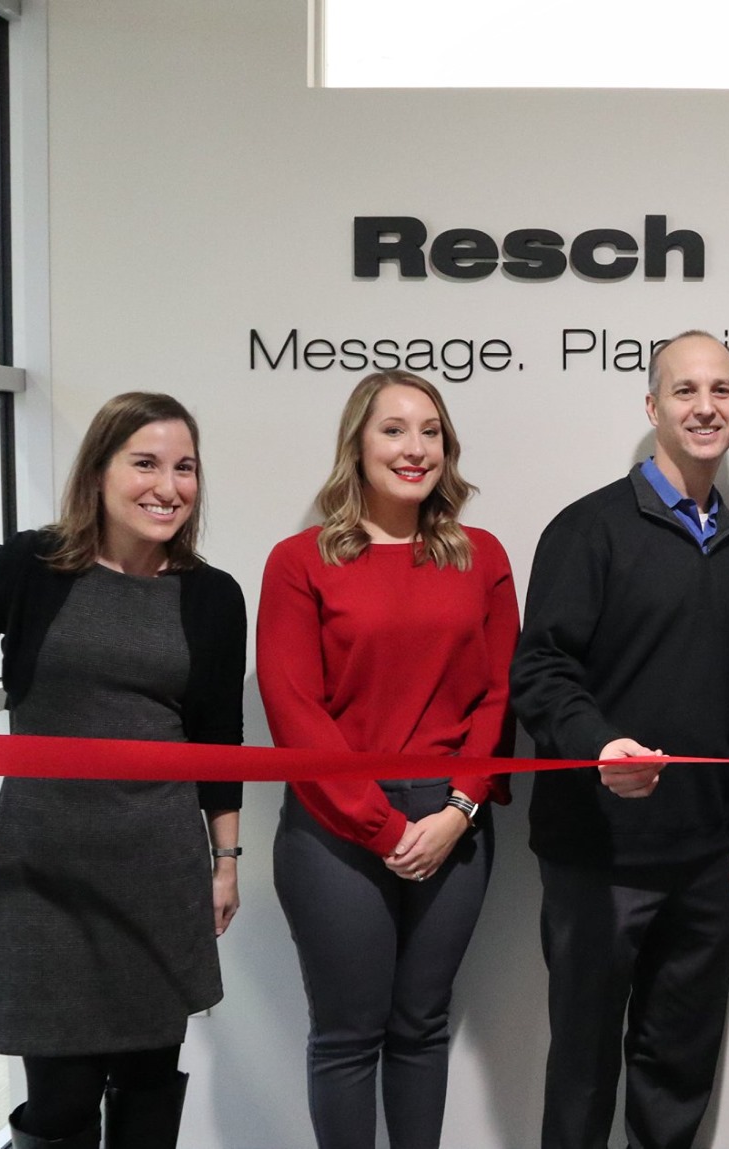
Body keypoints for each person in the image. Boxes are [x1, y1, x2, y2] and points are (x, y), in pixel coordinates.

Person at [0, 392, 245, 1149]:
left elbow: (219, 737)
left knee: (147, 1088)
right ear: (100, 472)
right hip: (44, 872)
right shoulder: (34, 565)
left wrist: (227, 860)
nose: (166, 486)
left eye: (185, 468)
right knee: (59, 1105)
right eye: (144, 463)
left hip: (157, 873)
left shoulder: (213, 595)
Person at [510, 330, 729, 1149]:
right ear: (652, 407)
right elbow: (541, 671)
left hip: (701, 863)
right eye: (685, 390)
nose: (705, 406)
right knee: (584, 1069)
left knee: (678, 1067)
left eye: (721, 389)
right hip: (598, 853)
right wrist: (601, 746)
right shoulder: (588, 529)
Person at [259, 370, 519, 1149]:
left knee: (420, 1026)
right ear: (357, 445)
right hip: (334, 831)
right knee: (346, 1034)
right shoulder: (298, 561)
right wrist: (379, 824)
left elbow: (497, 698)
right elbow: (294, 707)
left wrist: (457, 811)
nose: (415, 448)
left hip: (453, 823)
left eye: (430, 431)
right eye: (394, 429)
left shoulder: (483, 556)